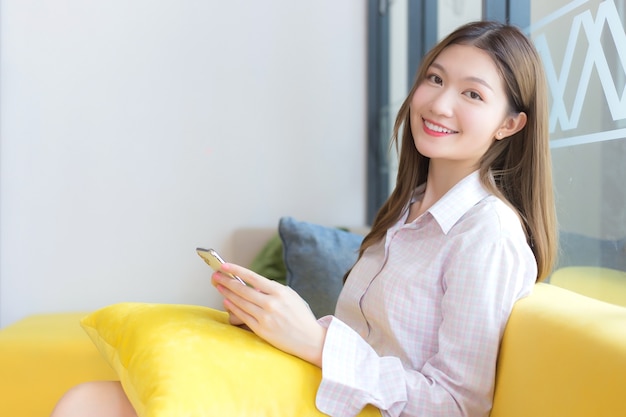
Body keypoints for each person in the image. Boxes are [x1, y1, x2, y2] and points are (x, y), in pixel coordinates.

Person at [50, 20, 557, 417]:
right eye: (435, 78)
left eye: (472, 94)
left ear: (510, 124)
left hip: (355, 408)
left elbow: (455, 407)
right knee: (89, 402)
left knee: (90, 406)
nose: (440, 103)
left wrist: (315, 341)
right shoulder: (410, 208)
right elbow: (368, 346)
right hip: (329, 393)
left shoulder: (487, 233)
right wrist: (272, 323)